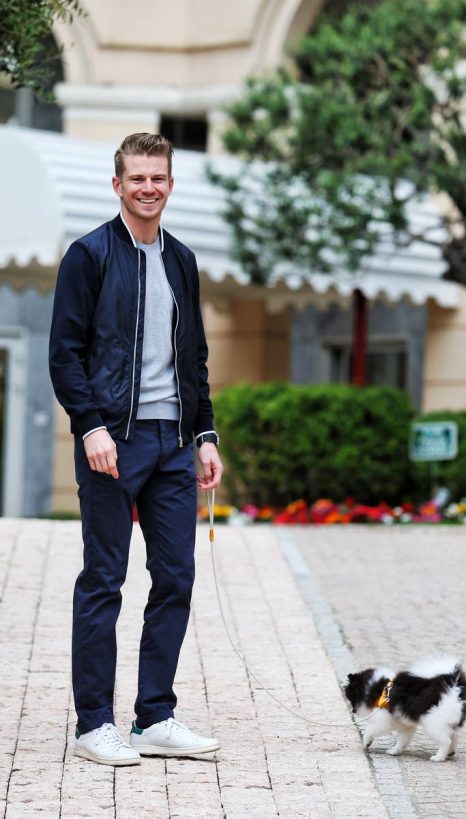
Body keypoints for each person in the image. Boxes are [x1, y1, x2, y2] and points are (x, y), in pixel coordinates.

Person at [49, 132, 223, 766]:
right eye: (137, 178)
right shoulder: (88, 255)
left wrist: (205, 435)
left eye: (159, 178)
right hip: (113, 441)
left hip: (173, 441)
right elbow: (65, 354)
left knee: (175, 576)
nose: (148, 188)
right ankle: (95, 721)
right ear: (117, 184)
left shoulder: (181, 259)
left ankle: (155, 717)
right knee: (104, 578)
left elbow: (195, 358)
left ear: (170, 185)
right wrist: (90, 426)